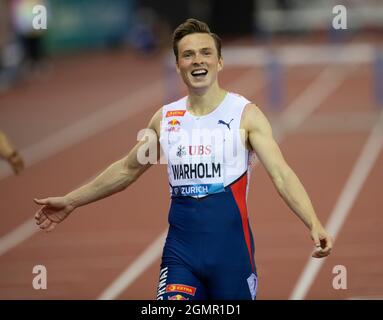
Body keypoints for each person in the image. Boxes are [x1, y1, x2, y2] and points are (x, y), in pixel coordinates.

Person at [34, 18, 333, 300]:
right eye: (188, 55)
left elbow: (280, 174)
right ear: (178, 66)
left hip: (232, 256)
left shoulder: (245, 115)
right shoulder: (166, 119)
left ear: (219, 61)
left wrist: (313, 222)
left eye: (205, 53)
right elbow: (126, 170)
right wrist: (71, 200)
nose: (197, 60)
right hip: (181, 256)